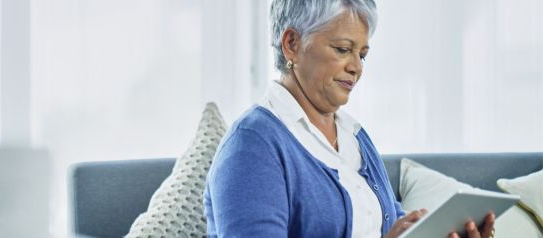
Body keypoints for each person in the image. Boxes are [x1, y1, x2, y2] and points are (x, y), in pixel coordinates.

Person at [203, 0, 496, 237]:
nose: (356, 67)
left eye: (362, 54)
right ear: (292, 43)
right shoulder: (252, 146)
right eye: (343, 50)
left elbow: (389, 225)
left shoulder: (354, 136)